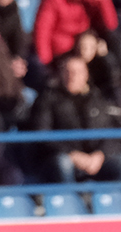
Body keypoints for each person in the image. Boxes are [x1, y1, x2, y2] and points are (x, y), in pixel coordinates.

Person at [29, 53, 121, 183]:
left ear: (86, 74)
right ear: (60, 74)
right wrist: (72, 154)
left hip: (97, 159)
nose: (72, 76)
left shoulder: (98, 98)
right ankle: (68, 201)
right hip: (65, 157)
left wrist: (100, 155)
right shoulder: (47, 99)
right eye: (68, 71)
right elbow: (42, 134)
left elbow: (112, 130)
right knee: (63, 163)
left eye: (77, 72)